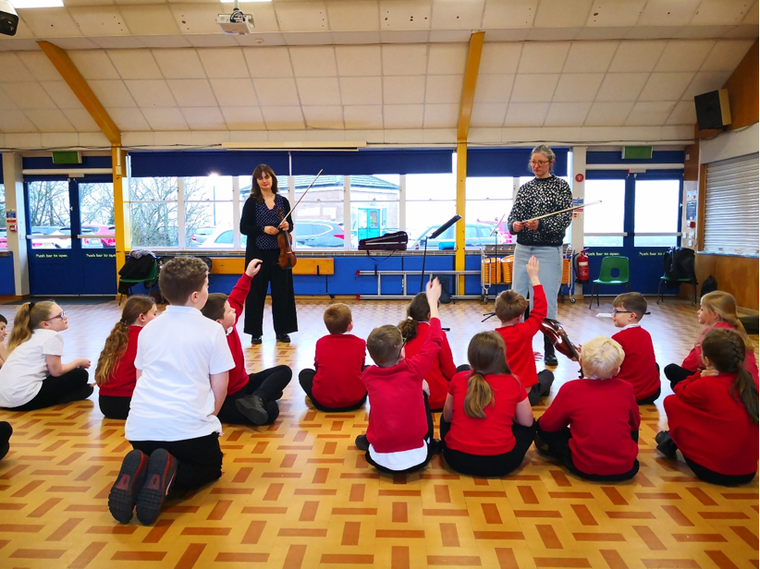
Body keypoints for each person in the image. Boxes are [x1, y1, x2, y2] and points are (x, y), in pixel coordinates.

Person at [109, 257, 234, 526]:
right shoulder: (212, 330)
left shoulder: (148, 329)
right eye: (208, 285)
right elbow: (220, 385)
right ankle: (170, 475)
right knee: (212, 468)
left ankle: (141, 468)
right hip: (187, 432)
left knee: (155, 453)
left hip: (141, 432)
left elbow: (141, 377)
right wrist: (210, 417)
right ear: (196, 295)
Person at [355, 278, 444, 474]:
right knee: (423, 392)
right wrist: (433, 303)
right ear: (402, 351)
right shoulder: (414, 369)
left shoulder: (368, 375)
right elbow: (435, 339)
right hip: (417, 458)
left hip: (378, 459)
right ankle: (432, 442)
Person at [657, 329, 758, 486]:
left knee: (672, 403)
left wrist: (698, 375)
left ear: (706, 360)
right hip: (748, 472)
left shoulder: (707, 384)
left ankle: (674, 438)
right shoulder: (750, 383)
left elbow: (679, 390)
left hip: (714, 472)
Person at [201, 259, 292, 426]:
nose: (234, 310)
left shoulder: (229, 324)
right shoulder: (210, 340)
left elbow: (237, 297)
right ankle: (261, 397)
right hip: (227, 396)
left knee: (284, 371)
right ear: (218, 321)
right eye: (229, 311)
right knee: (271, 410)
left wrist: (248, 275)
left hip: (244, 383)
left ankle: (258, 397)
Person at [536, 336, 640, 482]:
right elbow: (635, 424)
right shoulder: (626, 388)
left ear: (580, 362)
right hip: (626, 469)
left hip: (584, 467)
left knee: (542, 427)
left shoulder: (571, 389)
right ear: (617, 370)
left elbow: (547, 425)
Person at [507, 144, 572, 366]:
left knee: (545, 300)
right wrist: (514, 225)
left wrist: (541, 225)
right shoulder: (525, 188)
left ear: (551, 163)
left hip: (548, 250)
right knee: (517, 299)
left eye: (540, 162)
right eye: (533, 162)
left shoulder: (561, 186)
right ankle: (518, 347)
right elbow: (513, 217)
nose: (536, 166)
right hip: (523, 249)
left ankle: (549, 349)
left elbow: (564, 220)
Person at [440, 332, 535, 478]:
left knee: (444, 418)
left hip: (457, 459)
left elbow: (447, 417)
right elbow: (527, 422)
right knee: (530, 426)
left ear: (471, 356)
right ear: (501, 357)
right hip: (502, 462)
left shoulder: (458, 379)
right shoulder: (514, 381)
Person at [240, 164, 297, 345]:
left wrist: (288, 226)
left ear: (273, 179)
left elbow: (291, 225)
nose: (265, 181)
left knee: (283, 294)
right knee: (256, 295)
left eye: (267, 177)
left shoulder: (283, 201)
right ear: (256, 181)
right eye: (260, 178)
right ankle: (255, 332)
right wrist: (262, 228)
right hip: (258, 254)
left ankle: (282, 331)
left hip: (281, 254)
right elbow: (244, 228)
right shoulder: (251, 202)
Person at [0, 301, 91, 410]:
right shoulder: (52, 336)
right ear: (45, 324)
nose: (65, 317)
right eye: (60, 316)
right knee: (81, 375)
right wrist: (78, 362)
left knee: (72, 374)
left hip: (4, 399)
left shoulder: (30, 334)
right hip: (22, 400)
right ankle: (67, 397)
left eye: (64, 313)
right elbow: (56, 371)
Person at [664, 291, 758, 388]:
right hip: (751, 387)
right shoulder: (737, 329)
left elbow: (690, 364)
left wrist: (699, 373)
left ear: (715, 315)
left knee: (672, 371)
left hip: (729, 386)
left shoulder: (713, 334)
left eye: (701, 309)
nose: (698, 312)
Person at [494, 256, 554, 406]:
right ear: (520, 316)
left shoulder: (492, 338)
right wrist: (534, 278)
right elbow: (540, 310)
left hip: (500, 394)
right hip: (526, 396)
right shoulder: (524, 331)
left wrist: (525, 353)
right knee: (547, 374)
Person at [95, 295, 158, 420]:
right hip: (130, 404)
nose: (157, 318)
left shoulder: (117, 336)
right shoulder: (145, 337)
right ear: (142, 317)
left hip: (105, 404)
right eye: (154, 314)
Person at [299, 303, 367, 412]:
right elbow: (360, 366)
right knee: (368, 369)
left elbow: (317, 367)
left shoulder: (321, 342)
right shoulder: (360, 342)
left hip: (324, 404)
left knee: (305, 374)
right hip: (355, 402)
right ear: (350, 326)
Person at [398, 292, 457, 411]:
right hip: (436, 399)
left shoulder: (401, 333)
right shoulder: (438, 335)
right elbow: (449, 371)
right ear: (430, 315)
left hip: (407, 398)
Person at [610, 292, 661, 404]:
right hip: (652, 393)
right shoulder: (646, 334)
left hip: (628, 394)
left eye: (616, 312)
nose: (612, 315)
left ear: (632, 316)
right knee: (654, 366)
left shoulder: (618, 338)